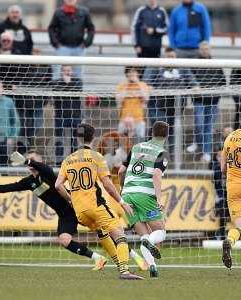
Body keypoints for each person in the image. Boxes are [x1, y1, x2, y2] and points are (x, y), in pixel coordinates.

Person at [0, 150, 108, 270]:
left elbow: (42, 167)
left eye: (33, 160)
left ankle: (127, 252)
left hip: (77, 207)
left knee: (105, 231)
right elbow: (8, 188)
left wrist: (26, 160)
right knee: (64, 240)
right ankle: (98, 258)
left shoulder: (48, 173)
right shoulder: (30, 182)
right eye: (28, 160)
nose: (30, 164)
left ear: (40, 161)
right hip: (65, 214)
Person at [55, 123, 143, 280]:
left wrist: (70, 198)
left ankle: (119, 266)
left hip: (80, 212)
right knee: (120, 236)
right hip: (96, 206)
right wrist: (121, 201)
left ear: (77, 138)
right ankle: (124, 271)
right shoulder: (96, 157)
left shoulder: (68, 160)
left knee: (103, 232)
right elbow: (108, 185)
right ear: (93, 138)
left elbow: (57, 185)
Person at [118, 121, 170, 278]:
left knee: (144, 236)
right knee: (160, 231)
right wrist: (159, 200)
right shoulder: (162, 152)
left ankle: (152, 267)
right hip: (145, 195)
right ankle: (150, 245)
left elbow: (121, 171)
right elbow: (156, 175)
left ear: (151, 132)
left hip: (127, 195)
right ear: (167, 135)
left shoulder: (136, 147)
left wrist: (123, 190)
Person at [143, 47, 197, 154]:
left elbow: (193, 83)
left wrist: (195, 87)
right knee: (161, 129)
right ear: (164, 57)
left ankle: (173, 155)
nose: (171, 59)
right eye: (168, 57)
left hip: (177, 107)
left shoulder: (183, 68)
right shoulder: (156, 67)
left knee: (174, 131)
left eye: (173, 57)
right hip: (160, 106)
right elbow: (146, 84)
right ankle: (156, 153)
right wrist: (150, 88)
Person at [187, 42, 227, 163]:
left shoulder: (216, 64)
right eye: (202, 49)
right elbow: (189, 80)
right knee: (199, 124)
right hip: (199, 100)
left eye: (206, 48)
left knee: (208, 128)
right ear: (199, 50)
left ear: (209, 50)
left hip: (213, 101)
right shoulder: (194, 64)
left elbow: (223, 82)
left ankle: (207, 152)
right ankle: (197, 142)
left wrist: (214, 90)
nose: (204, 50)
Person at [48, 0, 95, 79]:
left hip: (79, 48)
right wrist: (56, 43)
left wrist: (86, 43)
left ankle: (77, 90)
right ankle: (56, 90)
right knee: (58, 73)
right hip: (62, 48)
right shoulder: (58, 12)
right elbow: (51, 28)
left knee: (77, 74)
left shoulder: (84, 12)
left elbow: (91, 28)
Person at [51, 65, 82, 164]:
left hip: (75, 115)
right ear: (61, 72)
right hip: (60, 115)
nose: (67, 72)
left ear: (72, 71)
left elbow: (77, 91)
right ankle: (58, 163)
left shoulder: (78, 82)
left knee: (74, 140)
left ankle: (74, 162)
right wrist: (65, 83)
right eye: (64, 70)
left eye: (69, 70)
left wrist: (68, 83)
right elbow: (56, 95)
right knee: (59, 140)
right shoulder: (56, 83)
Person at [221, 128, 241, 269]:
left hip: (233, 186)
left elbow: (223, 168)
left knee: (238, 226)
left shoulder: (230, 137)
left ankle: (230, 240)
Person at [115, 67, 150, 141]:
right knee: (122, 142)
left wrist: (137, 83)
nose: (131, 74)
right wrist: (127, 86)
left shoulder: (143, 85)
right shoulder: (122, 86)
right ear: (126, 74)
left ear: (137, 73)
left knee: (139, 143)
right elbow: (118, 101)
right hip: (124, 119)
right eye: (129, 72)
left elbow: (146, 98)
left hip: (139, 119)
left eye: (134, 72)